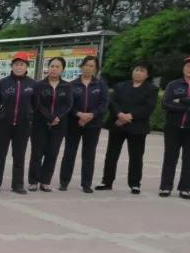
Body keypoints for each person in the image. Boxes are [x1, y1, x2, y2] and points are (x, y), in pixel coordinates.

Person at [97, 62, 156, 195]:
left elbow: (148, 107)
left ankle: (135, 184)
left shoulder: (151, 89)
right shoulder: (120, 85)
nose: (138, 72)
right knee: (111, 155)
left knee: (136, 156)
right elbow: (112, 102)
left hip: (137, 127)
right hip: (118, 124)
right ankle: (107, 181)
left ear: (147, 75)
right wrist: (119, 114)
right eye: (136, 69)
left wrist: (130, 116)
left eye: (142, 70)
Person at [59, 56, 109, 194]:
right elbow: (68, 104)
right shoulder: (71, 85)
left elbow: (104, 104)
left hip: (93, 125)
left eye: (92, 66)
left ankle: (86, 184)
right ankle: (64, 182)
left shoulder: (101, 85)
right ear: (81, 66)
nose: (88, 68)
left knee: (89, 154)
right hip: (74, 124)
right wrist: (79, 114)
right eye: (86, 65)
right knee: (69, 153)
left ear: (96, 69)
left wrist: (91, 115)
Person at [0, 52, 35, 195]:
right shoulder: (2, 83)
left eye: (22, 64)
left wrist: (29, 115)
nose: (18, 67)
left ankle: (18, 185)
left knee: (19, 156)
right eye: (16, 64)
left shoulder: (33, 84)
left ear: (26, 66)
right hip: (2, 126)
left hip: (23, 126)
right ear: (12, 66)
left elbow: (36, 105)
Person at [27, 56, 73, 193]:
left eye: (57, 67)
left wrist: (58, 117)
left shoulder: (67, 86)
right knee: (37, 153)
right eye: (52, 66)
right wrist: (50, 117)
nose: (54, 69)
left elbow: (68, 104)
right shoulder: (39, 85)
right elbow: (37, 104)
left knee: (52, 153)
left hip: (59, 125)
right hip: (40, 124)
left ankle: (45, 181)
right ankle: (33, 181)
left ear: (62, 69)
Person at [160, 56, 190, 199]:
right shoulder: (173, 84)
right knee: (170, 157)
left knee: (188, 159)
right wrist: (185, 108)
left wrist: (181, 100)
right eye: (188, 66)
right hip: (173, 127)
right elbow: (166, 103)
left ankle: (185, 188)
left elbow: (177, 103)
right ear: (183, 68)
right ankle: (166, 186)